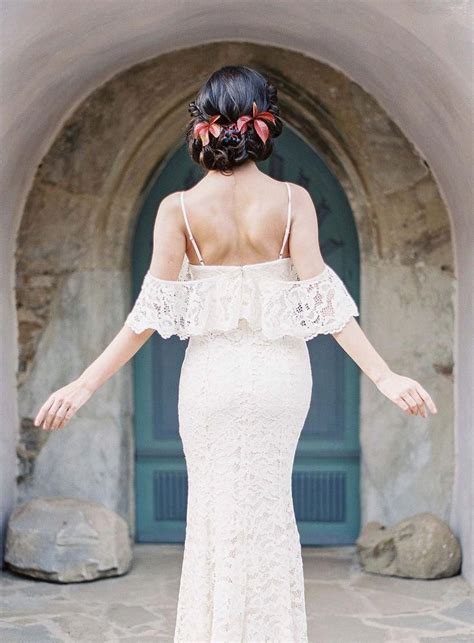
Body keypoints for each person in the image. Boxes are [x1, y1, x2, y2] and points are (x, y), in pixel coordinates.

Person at [34, 65, 437, 642]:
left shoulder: (177, 210)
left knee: (215, 520)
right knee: (270, 513)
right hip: (280, 379)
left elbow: (148, 315)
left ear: (203, 126)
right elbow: (326, 303)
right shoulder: (294, 201)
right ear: (264, 124)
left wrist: (83, 384)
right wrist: (383, 375)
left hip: (211, 381)